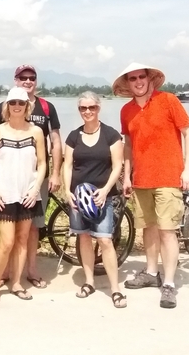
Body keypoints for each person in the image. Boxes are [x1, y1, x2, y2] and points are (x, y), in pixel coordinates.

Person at [114, 62, 189, 309]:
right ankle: (151, 272)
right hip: (142, 179)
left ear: (150, 79)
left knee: (167, 230)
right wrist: (127, 176)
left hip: (169, 177)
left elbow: (188, 133)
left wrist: (188, 167)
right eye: (132, 78)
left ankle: (169, 283)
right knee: (148, 227)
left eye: (141, 77)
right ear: (128, 83)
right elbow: (128, 145)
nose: (137, 81)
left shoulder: (169, 100)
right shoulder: (126, 111)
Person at [0, 64, 61, 289]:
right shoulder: (0, 122)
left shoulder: (45, 111)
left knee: (30, 232)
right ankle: (0, 279)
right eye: (23, 77)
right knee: (7, 241)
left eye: (32, 77)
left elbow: (52, 146)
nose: (28, 81)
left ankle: (27, 274)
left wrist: (54, 174)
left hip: (31, 187)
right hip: (6, 189)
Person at [62, 91, 126, 308]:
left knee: (105, 240)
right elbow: (67, 165)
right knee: (84, 238)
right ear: (79, 110)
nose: (87, 112)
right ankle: (89, 282)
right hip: (79, 198)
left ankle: (115, 288)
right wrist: (67, 191)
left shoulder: (111, 134)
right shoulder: (73, 136)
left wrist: (106, 190)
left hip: (102, 197)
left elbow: (117, 165)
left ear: (99, 108)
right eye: (83, 108)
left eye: (92, 107)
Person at [0, 87, 47, 303]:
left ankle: (17, 283)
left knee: (22, 240)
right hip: (5, 194)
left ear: (27, 106)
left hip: (28, 194)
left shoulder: (36, 132)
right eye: (13, 103)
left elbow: (42, 163)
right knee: (7, 242)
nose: (17, 107)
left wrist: (36, 187)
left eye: (21, 103)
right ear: (7, 106)